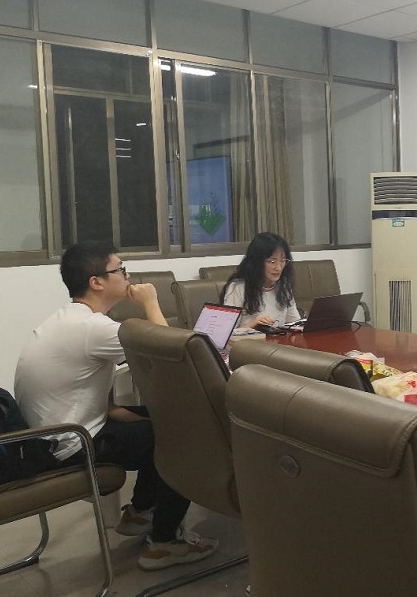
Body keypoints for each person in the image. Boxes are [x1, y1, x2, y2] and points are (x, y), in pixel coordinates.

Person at [15, 241, 217, 571]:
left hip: (55, 433)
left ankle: (141, 512)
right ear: (96, 282)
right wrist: (151, 302)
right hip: (72, 443)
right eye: (120, 269)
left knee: (163, 420)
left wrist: (117, 412)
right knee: (185, 436)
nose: (127, 276)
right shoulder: (92, 328)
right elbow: (172, 355)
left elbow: (75, 388)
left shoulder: (70, 319)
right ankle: (164, 543)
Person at [221, 232, 299, 328]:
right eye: (272, 261)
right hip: (249, 338)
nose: (278, 268)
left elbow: (294, 323)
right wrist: (253, 325)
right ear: (257, 262)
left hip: (276, 337)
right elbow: (226, 331)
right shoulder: (238, 287)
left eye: (282, 261)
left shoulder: (283, 285)